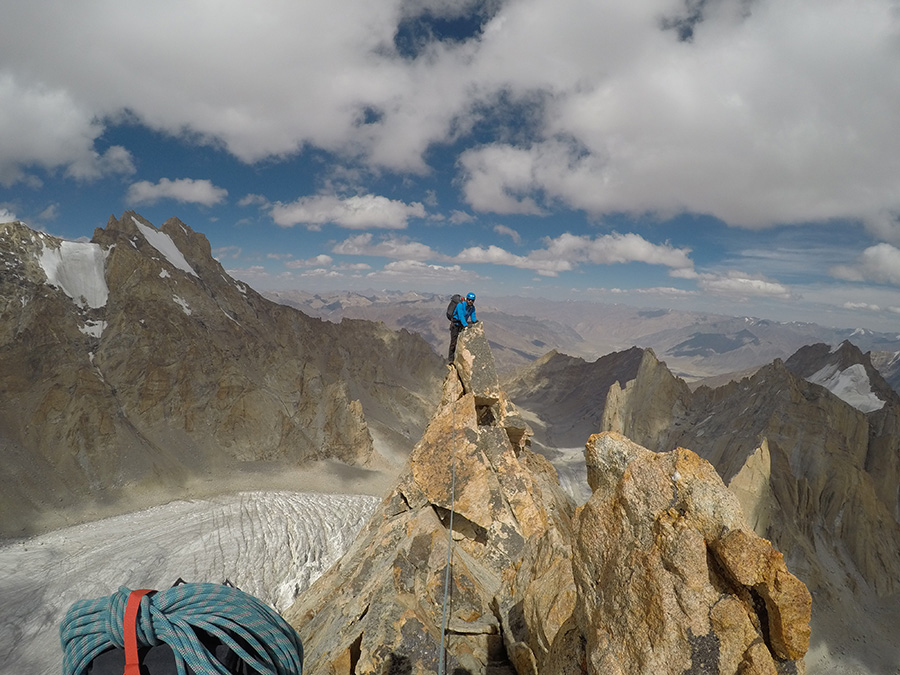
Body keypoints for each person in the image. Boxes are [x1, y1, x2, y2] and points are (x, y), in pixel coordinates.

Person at [448, 292, 478, 363]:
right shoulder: (460, 305)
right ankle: (450, 359)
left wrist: (476, 322)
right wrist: (465, 325)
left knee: (464, 342)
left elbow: (473, 317)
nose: (470, 301)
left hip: (462, 324)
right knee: (453, 342)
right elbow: (461, 316)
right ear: (466, 299)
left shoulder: (472, 308)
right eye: (469, 299)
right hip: (455, 324)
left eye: (472, 300)